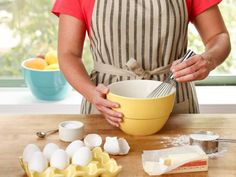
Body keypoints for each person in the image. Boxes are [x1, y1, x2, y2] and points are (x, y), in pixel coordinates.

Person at [52, 0, 231, 127]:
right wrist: (92, 94)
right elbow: (68, 55)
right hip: (106, 107)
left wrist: (208, 60)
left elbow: (218, 36)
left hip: (174, 101)